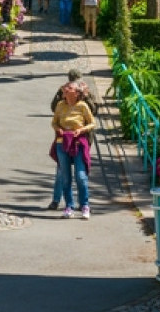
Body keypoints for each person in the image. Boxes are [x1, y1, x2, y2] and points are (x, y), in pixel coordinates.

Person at [49, 75, 95, 219]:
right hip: (62, 143)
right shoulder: (60, 105)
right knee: (65, 177)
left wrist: (81, 130)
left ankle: (85, 205)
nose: (65, 89)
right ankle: (69, 206)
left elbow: (92, 123)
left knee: (81, 176)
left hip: (78, 143)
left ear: (76, 93)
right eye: (65, 87)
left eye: (69, 88)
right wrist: (58, 129)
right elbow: (54, 122)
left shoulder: (82, 106)